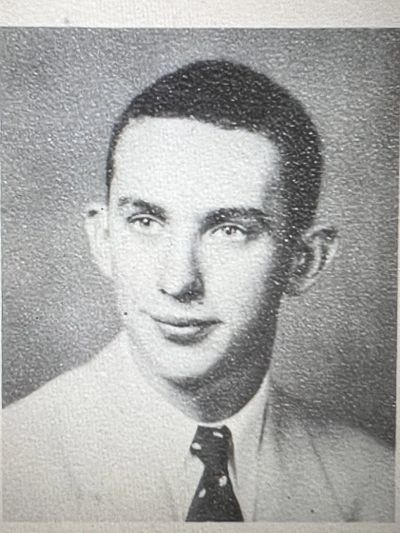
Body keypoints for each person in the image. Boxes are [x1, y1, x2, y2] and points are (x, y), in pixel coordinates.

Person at [3, 60, 394, 522]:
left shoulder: (378, 487)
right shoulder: (13, 466)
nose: (178, 281)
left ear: (305, 261)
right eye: (145, 222)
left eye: (230, 230)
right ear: (103, 241)